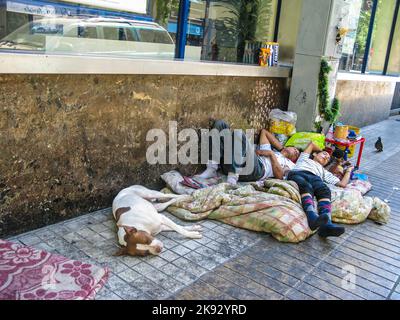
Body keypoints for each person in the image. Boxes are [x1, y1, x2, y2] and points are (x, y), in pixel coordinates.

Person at [196, 120, 299, 185]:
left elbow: (280, 177)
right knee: (220, 124)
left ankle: (232, 177)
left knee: (240, 134)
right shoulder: (273, 151)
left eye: (297, 153)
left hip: (256, 170)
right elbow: (264, 132)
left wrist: (271, 155)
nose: (296, 152)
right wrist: (281, 149)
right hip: (237, 162)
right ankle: (212, 168)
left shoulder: (290, 164)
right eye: (295, 149)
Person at [287, 142, 354, 238]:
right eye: (324, 154)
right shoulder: (304, 158)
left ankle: (327, 226)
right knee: (306, 186)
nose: (326, 157)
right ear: (314, 154)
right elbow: (311, 144)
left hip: (315, 177)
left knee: (324, 190)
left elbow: (342, 184)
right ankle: (311, 217)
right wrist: (326, 151)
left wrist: (349, 170)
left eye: (327, 159)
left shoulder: (323, 171)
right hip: (299, 173)